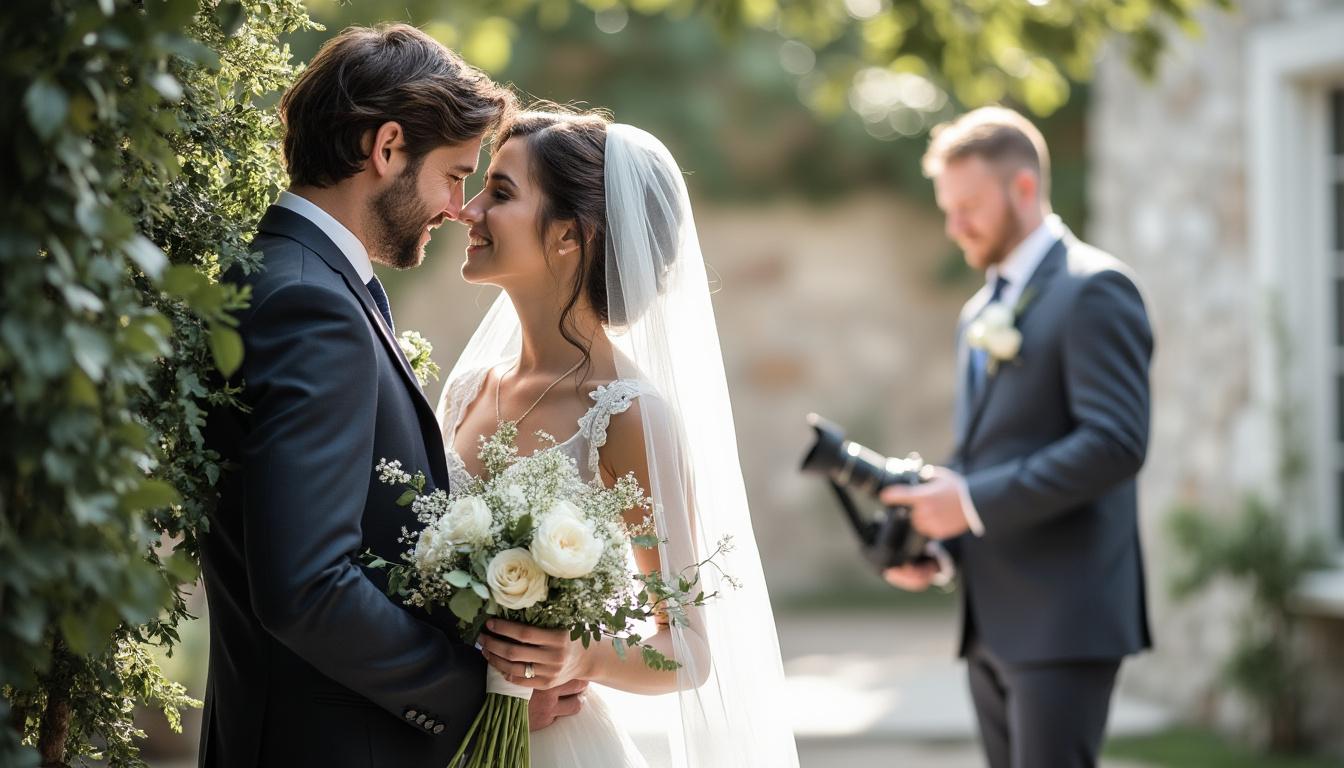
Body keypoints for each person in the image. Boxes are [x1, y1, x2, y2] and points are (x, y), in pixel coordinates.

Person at [200, 25, 583, 767]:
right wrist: (480, 695)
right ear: (386, 148)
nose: (458, 208)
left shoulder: (282, 273)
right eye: (454, 175)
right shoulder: (312, 305)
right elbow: (307, 588)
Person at [437, 107, 800, 767]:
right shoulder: (467, 390)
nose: (468, 211)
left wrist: (585, 655)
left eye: (501, 193)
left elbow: (688, 649)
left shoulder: (627, 415)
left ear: (569, 236)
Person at [881, 106, 1154, 768]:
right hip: (991, 620)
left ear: (1024, 188)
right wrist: (941, 542)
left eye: (969, 206)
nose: (955, 226)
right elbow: (987, 453)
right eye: (948, 209)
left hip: (1065, 619)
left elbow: (1116, 442)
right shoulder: (979, 310)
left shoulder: (1096, 289)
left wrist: (970, 502)